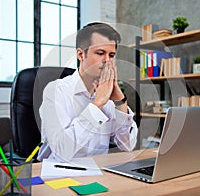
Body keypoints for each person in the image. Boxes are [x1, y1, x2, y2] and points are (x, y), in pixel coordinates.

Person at [37, 22, 138, 162]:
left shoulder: (107, 93)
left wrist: (120, 101)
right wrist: (98, 103)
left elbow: (127, 145)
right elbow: (62, 151)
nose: (107, 61)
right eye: (100, 53)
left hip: (98, 171)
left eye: (111, 55)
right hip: (59, 173)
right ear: (80, 54)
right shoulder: (56, 91)